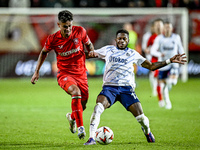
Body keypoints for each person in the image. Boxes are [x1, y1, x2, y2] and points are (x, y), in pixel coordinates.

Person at [84, 29, 187, 145]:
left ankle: (147, 131)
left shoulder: (133, 54)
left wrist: (169, 61)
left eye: (124, 39)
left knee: (141, 118)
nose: (122, 41)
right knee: (98, 108)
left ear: (128, 40)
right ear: (116, 40)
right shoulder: (108, 49)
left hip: (126, 89)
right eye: (120, 38)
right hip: (109, 88)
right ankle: (91, 138)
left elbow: (151, 66)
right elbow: (89, 55)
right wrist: (75, 52)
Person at [31, 10, 94, 139]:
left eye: (70, 26)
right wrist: (36, 71)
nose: (68, 29)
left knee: (83, 104)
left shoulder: (80, 31)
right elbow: (43, 52)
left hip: (81, 73)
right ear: (59, 25)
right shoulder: (53, 39)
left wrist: (91, 51)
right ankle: (81, 129)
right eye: (65, 26)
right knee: (76, 92)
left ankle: (72, 118)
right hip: (64, 74)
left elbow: (88, 44)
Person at [150, 21, 185, 109]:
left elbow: (181, 48)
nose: (167, 29)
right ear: (163, 29)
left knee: (172, 82)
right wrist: (159, 54)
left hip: (174, 63)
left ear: (172, 28)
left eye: (169, 27)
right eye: (166, 27)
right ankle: (168, 103)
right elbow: (152, 50)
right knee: (162, 87)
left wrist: (183, 57)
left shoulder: (176, 37)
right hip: (163, 64)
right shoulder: (159, 38)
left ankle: (169, 83)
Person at [147, 18, 164, 97]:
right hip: (155, 58)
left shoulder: (165, 36)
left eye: (159, 25)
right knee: (155, 75)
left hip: (164, 58)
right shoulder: (152, 37)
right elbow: (147, 47)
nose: (158, 27)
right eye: (156, 25)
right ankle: (155, 90)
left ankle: (161, 89)